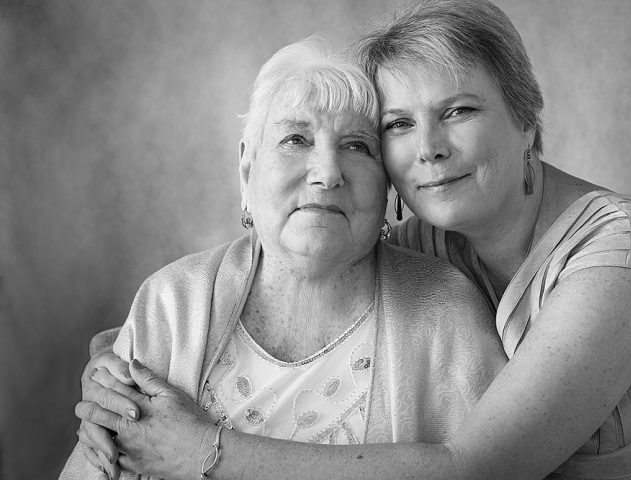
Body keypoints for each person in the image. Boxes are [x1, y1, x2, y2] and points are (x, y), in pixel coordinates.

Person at [73, 1, 631, 478]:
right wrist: (119, 365)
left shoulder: (620, 257)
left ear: (526, 119)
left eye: (459, 111)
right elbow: (319, 242)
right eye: (400, 125)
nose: (430, 149)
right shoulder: (440, 242)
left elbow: (479, 470)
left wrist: (203, 453)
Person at [59, 36, 506, 479]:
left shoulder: (446, 314)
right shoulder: (173, 302)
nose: (328, 173)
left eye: (357, 146)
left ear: (389, 187)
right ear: (247, 169)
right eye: (296, 138)